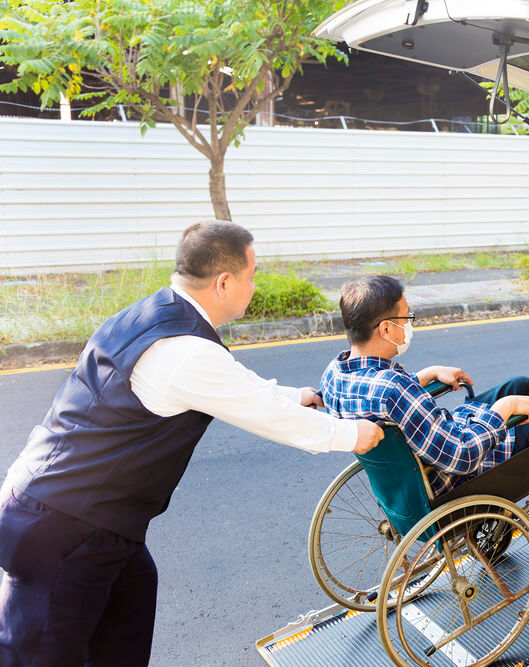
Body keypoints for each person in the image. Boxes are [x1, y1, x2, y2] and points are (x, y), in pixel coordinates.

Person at [0, 220, 384, 666]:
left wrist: (301, 396)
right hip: (65, 527)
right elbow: (266, 416)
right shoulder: (185, 350)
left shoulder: (154, 314)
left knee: (128, 616)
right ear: (224, 282)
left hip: (91, 519)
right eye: (251, 276)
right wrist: (353, 435)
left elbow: (236, 388)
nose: (254, 286)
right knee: (39, 657)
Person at [320, 275, 529, 532]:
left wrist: (425, 376)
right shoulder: (394, 389)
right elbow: (461, 456)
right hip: (454, 480)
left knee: (519, 385)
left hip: (414, 476)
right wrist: (502, 410)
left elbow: (381, 398)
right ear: (385, 329)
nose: (410, 324)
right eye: (406, 318)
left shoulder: (336, 373)